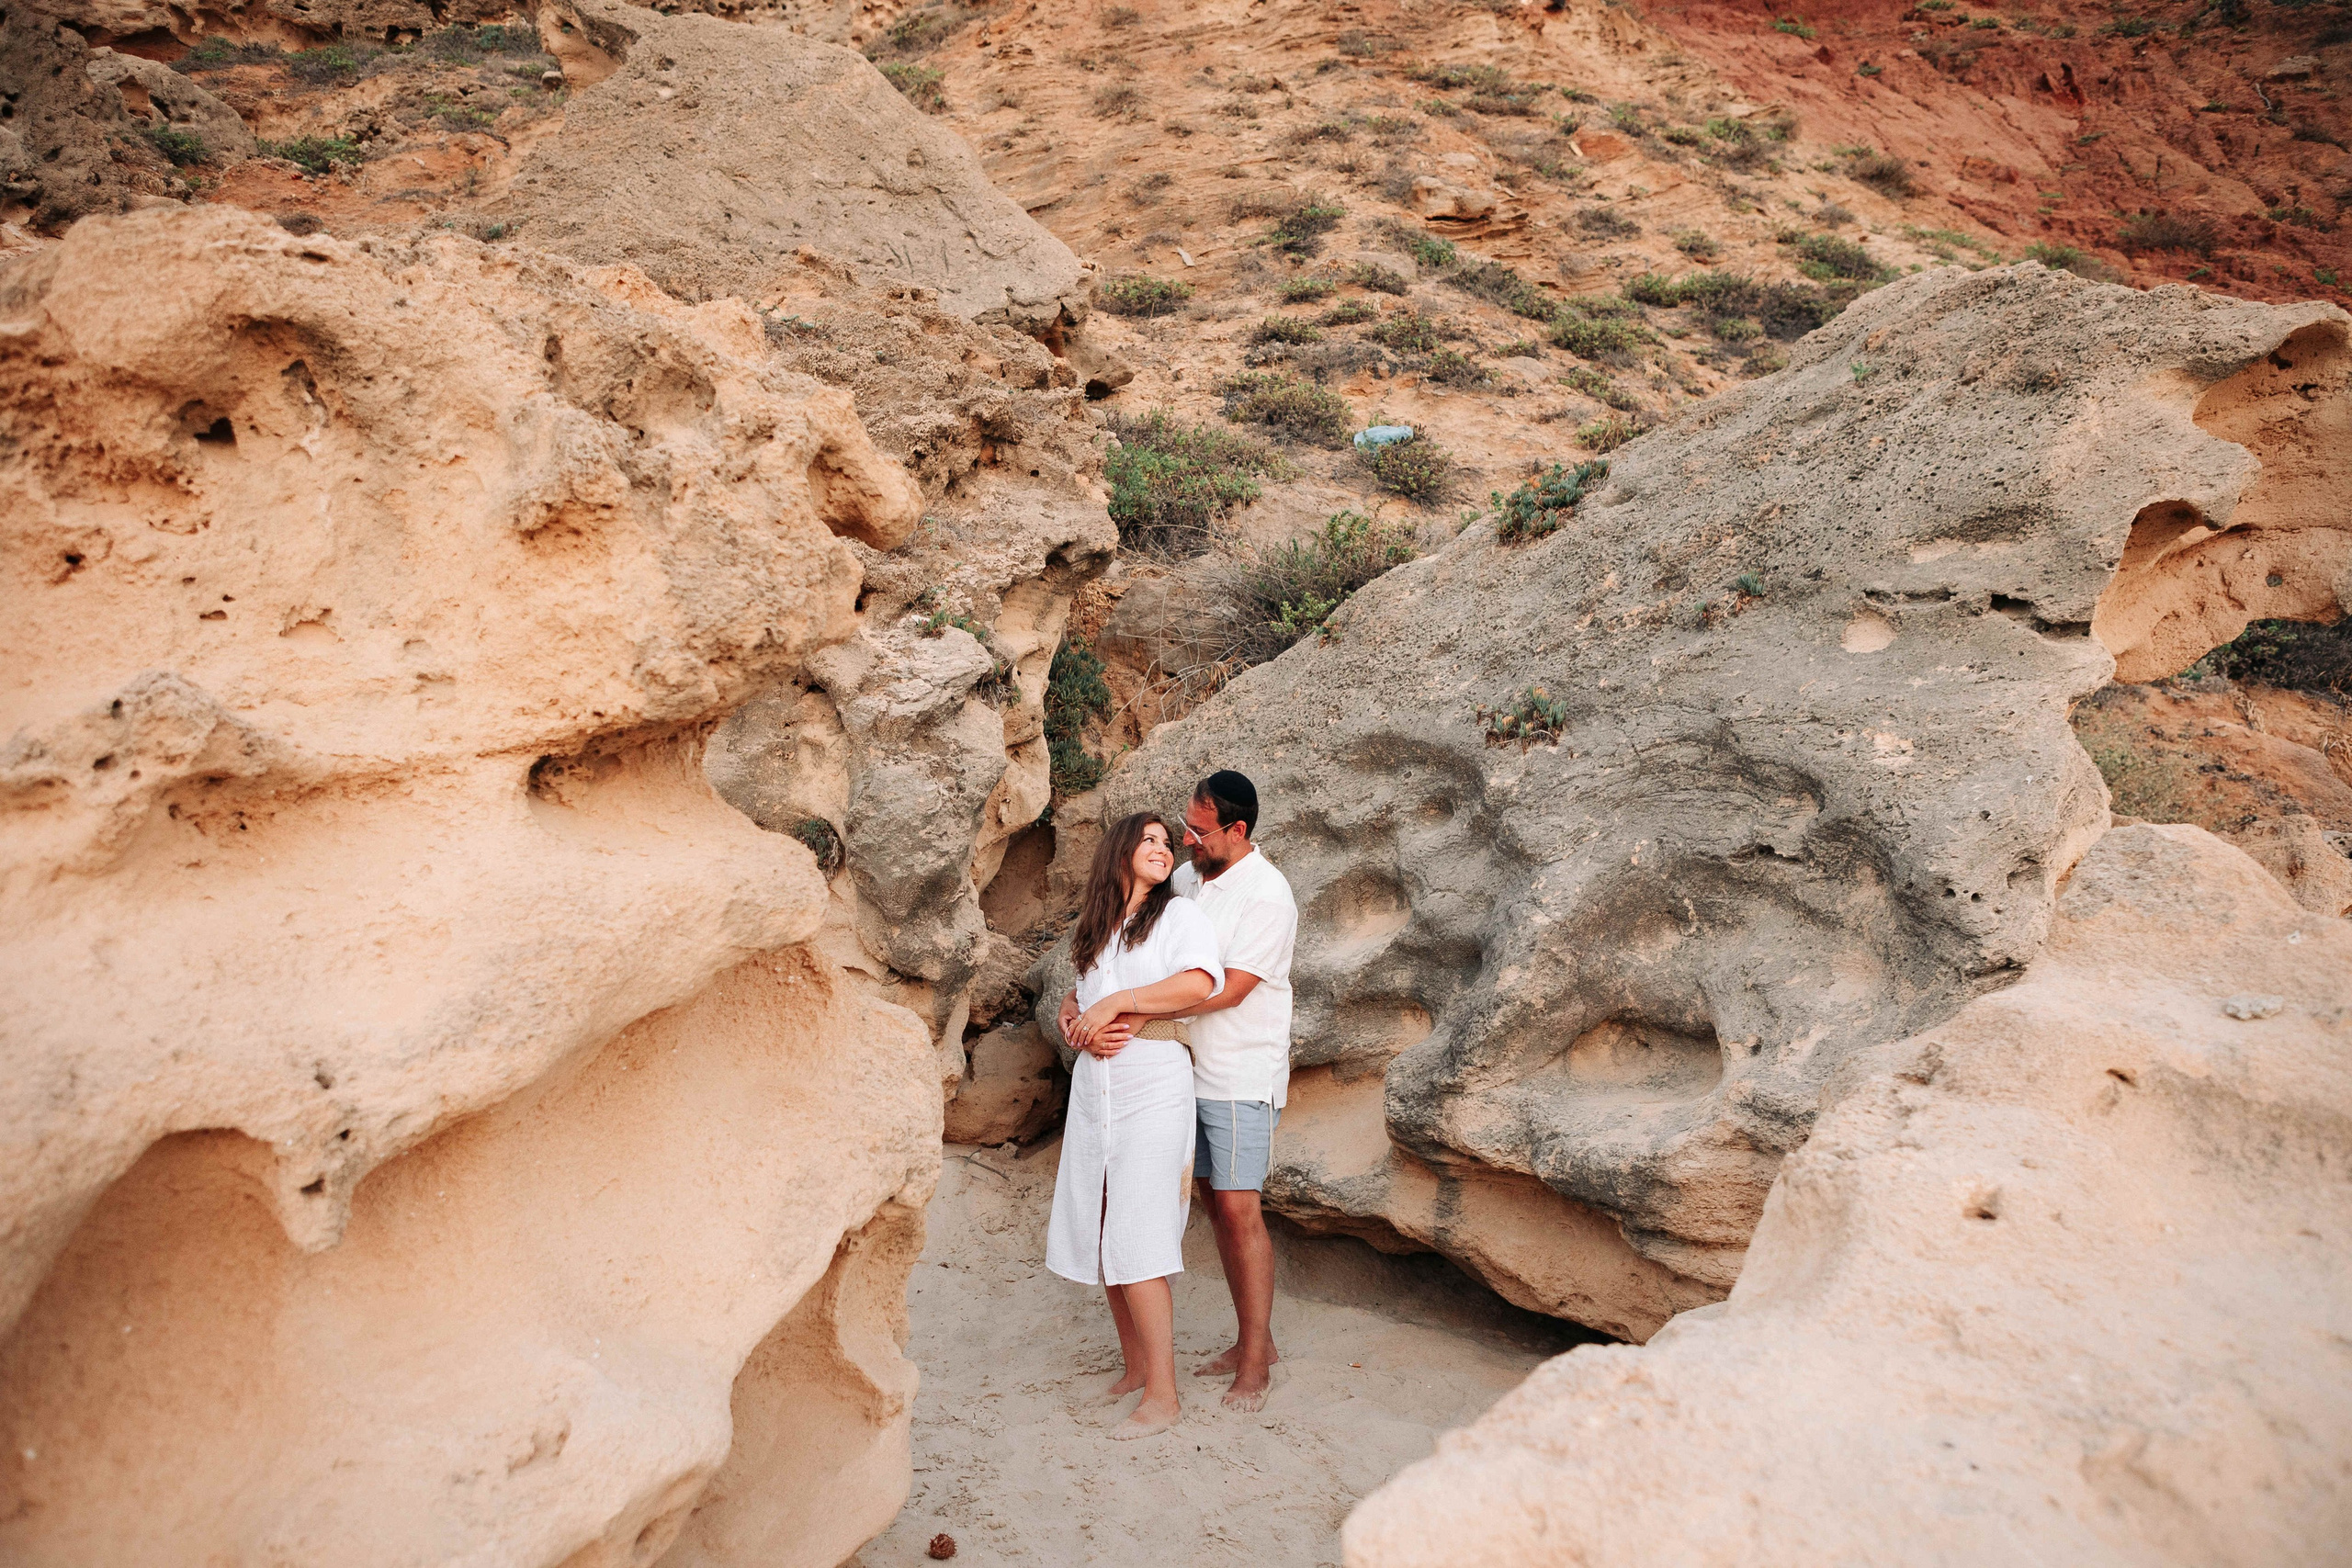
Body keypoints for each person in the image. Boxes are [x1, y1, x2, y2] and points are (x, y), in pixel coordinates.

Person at [1082, 770, 1297, 1413]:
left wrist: (1131, 1012)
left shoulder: (1267, 894)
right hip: (1179, 1073)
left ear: (1237, 830)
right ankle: (1255, 1340)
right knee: (1211, 1201)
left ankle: (1255, 1360)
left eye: (1198, 831)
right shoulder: (1187, 879)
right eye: (1184, 827)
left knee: (1238, 1208)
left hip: (1238, 1074)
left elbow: (1228, 989)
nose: (1185, 840)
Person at [1045, 811, 1223, 1439]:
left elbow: (1200, 982)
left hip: (1153, 1086)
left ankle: (1163, 1396)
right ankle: (1136, 1368)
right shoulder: (1097, 927)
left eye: (1166, 843)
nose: (1161, 848)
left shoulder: (1177, 916)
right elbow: (1082, 993)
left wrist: (1121, 1003)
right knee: (1103, 1228)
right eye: (1147, 839)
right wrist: (1074, 1015)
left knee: (1140, 1234)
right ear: (1119, 851)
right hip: (1095, 1092)